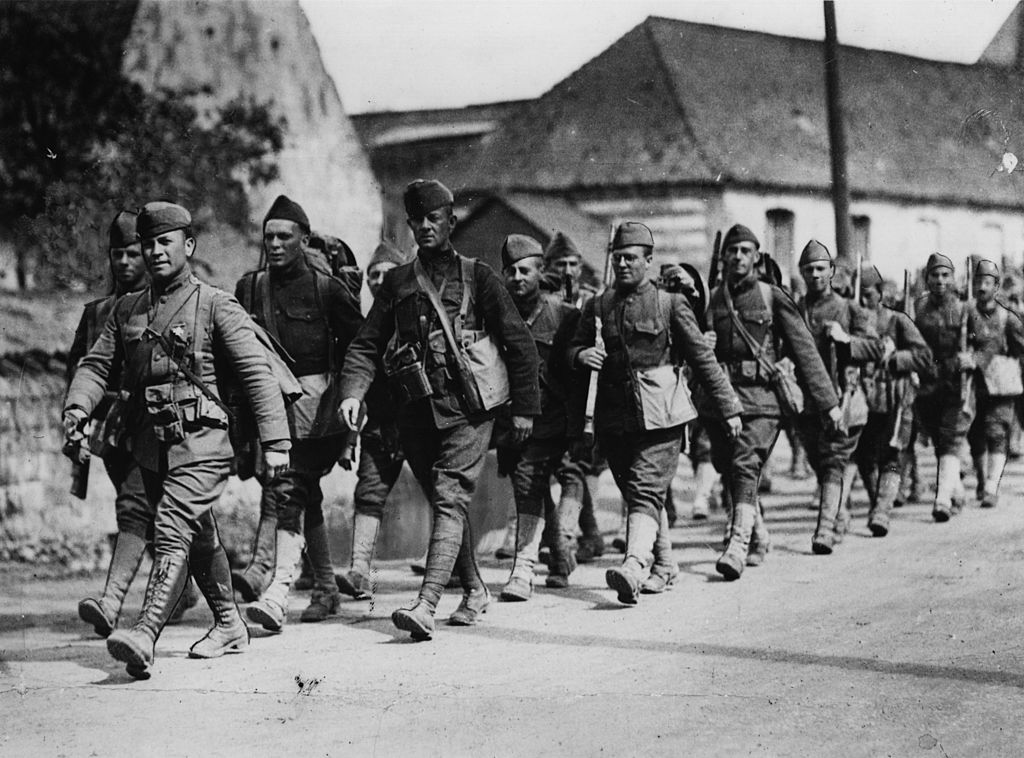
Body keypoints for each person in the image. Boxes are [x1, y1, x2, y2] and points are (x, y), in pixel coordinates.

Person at [63, 201, 291, 678]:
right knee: (200, 536)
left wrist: (276, 441)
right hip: (153, 446)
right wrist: (79, 406)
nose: (154, 252)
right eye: (148, 244)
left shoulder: (215, 304)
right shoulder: (128, 309)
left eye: (165, 242)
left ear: (188, 246)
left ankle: (145, 632)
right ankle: (229, 624)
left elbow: (255, 374)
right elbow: (95, 364)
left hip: (204, 443)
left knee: (170, 526)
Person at [339, 179, 541, 640]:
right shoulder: (396, 282)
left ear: (451, 221)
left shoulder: (480, 276)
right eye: (418, 221)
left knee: (450, 497)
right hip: (417, 414)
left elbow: (520, 344)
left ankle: (427, 603)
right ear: (409, 226)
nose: (426, 227)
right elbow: (366, 346)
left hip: (470, 409)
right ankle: (474, 591)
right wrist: (353, 393)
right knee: (444, 502)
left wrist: (525, 409)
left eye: (435, 219)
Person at [569, 222, 742, 604]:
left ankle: (634, 564)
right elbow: (572, 348)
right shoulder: (599, 305)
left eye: (632, 258)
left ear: (649, 261)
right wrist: (581, 354)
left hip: (663, 413)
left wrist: (728, 406)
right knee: (638, 491)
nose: (623, 265)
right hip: (615, 418)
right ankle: (664, 565)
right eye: (618, 258)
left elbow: (703, 357)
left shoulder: (670, 304)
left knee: (645, 486)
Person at [233, 195, 363, 629]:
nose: (274, 244)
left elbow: (359, 349)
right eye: (268, 236)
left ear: (304, 240)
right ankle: (326, 588)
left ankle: (278, 590)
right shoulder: (250, 288)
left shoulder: (328, 290)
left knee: (288, 490)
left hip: (318, 414)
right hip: (270, 413)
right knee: (304, 496)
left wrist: (352, 406)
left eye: (284, 236)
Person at [69, 209, 199, 635]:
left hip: (160, 424)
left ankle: (116, 601)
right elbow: (83, 368)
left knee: (145, 507)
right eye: (116, 256)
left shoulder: (167, 307)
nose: (124, 263)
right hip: (114, 430)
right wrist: (77, 414)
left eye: (131, 254)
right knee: (140, 508)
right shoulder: (100, 313)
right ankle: (178, 586)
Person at [703, 225, 838, 579]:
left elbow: (805, 351)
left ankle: (737, 543)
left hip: (763, 399)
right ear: (724, 256)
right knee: (728, 467)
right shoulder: (714, 298)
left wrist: (828, 403)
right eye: (732, 250)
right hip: (723, 398)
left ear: (756, 256)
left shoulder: (772, 296)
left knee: (745, 464)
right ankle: (759, 535)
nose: (737, 257)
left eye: (745, 250)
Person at [494, 234, 581, 600]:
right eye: (511, 271)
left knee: (549, 478)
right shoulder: (497, 316)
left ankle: (542, 560)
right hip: (519, 420)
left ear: (540, 271)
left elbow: (579, 371)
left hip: (558, 418)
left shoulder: (564, 315)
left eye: (525, 270)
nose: (517, 277)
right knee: (530, 483)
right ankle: (542, 563)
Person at [794, 240, 882, 554]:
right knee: (820, 463)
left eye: (820, 268)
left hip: (844, 398)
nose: (815, 274)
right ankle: (839, 511)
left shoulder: (849, 309)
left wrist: (846, 340)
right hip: (806, 404)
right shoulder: (795, 310)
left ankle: (825, 530)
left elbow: (876, 348)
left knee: (833, 462)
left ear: (831, 271)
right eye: (809, 270)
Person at [335, 240, 409, 600]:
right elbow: (358, 383)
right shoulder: (365, 329)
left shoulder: (417, 316)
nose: (379, 280)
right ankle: (360, 571)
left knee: (444, 496)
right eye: (373, 274)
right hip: (380, 427)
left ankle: (458, 569)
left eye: (387, 273)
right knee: (368, 493)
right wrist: (349, 440)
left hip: (420, 425)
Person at [852, 264, 931, 536]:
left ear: (880, 293)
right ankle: (878, 503)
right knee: (862, 455)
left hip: (895, 398)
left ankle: (882, 511)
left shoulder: (897, 320)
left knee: (891, 454)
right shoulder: (850, 321)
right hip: (862, 398)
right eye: (858, 295)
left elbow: (923, 356)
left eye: (868, 294)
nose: (863, 300)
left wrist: (896, 359)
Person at [914, 253, 976, 521]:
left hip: (956, 384)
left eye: (945, 275)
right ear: (927, 279)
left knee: (950, 438)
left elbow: (986, 342)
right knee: (941, 443)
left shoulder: (965, 309)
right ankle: (957, 490)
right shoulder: (919, 309)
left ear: (953, 279)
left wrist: (972, 357)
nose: (939, 281)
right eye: (934, 275)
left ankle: (941, 499)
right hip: (929, 384)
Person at [967, 259, 1024, 509]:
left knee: (997, 433)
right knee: (975, 435)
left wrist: (1005, 360)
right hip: (972, 385)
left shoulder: (1007, 319)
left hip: (1000, 387)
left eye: (987, 282)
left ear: (996, 287)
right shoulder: (965, 314)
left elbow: (1020, 347)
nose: (981, 287)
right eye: (978, 282)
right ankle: (982, 480)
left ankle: (992, 486)